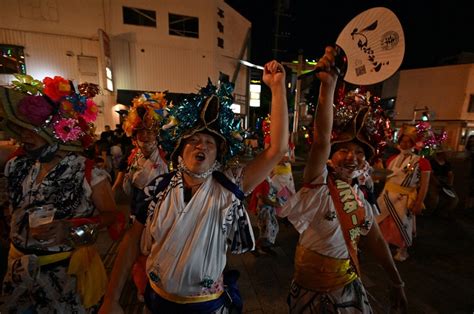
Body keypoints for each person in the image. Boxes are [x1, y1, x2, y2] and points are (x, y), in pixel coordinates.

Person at [100, 61, 289, 314]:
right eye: (194, 141)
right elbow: (132, 240)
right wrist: (111, 299)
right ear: (179, 150)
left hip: (207, 308)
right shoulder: (157, 189)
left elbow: (277, 150)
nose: (202, 146)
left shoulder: (229, 186)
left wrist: (276, 88)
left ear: (217, 156)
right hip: (156, 303)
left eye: (210, 143)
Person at [279, 46, 407, 313]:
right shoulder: (318, 184)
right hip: (309, 295)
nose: (351, 157)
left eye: (360, 152)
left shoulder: (361, 196)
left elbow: (376, 242)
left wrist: (397, 283)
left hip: (347, 291)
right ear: (329, 157)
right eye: (344, 150)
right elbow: (321, 139)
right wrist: (329, 85)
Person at [0, 75, 124, 313]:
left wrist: (71, 229)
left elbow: (112, 216)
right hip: (16, 277)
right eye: (23, 128)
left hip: (64, 280)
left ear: (56, 131)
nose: (25, 135)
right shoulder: (17, 164)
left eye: (33, 130)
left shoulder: (87, 172)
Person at [111, 92, 170, 301]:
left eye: (150, 132)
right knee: (137, 254)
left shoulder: (167, 158)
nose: (145, 137)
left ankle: (156, 288)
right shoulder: (133, 156)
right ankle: (142, 287)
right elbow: (126, 189)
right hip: (136, 215)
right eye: (140, 132)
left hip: (159, 217)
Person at [376, 125, 431, 262]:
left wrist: (418, 203)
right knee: (382, 223)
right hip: (386, 195)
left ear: (413, 143)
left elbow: (424, 186)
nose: (405, 144)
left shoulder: (422, 162)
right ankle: (383, 248)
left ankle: (402, 251)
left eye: (408, 141)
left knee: (401, 225)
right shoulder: (391, 159)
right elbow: (386, 178)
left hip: (404, 198)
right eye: (403, 141)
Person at [425, 148, 458, 218]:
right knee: (434, 199)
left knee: (454, 199)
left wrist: (450, 184)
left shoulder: (447, 163)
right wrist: (437, 183)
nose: (449, 155)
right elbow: (431, 175)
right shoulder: (432, 162)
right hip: (434, 182)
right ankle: (427, 213)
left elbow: (450, 174)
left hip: (444, 182)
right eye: (447, 153)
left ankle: (441, 212)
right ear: (442, 154)